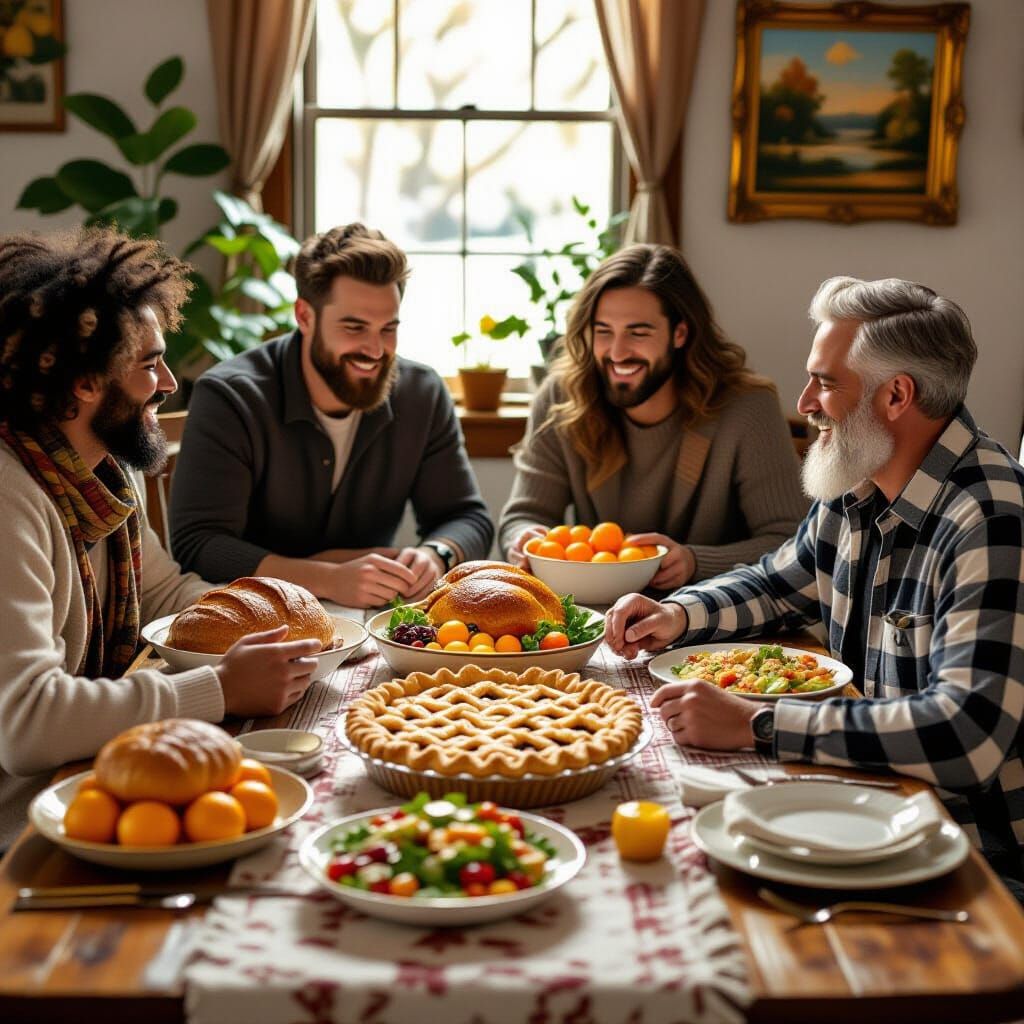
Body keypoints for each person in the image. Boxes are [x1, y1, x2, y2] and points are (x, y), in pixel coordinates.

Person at [607, 276, 1024, 896]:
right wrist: (678, 615)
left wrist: (760, 724)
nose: (804, 401)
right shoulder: (863, 475)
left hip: (972, 865)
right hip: (870, 810)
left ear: (896, 396)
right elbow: (780, 584)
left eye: (826, 383)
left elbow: (966, 734)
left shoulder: (989, 519)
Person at [0, 229, 322, 850]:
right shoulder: (11, 496)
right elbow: (28, 724)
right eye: (149, 364)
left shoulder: (103, 468)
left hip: (104, 784)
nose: (171, 382)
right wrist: (221, 688)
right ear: (84, 382)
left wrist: (281, 622)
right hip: (31, 830)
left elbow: (165, 593)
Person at [170, 223, 493, 608]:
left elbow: (466, 517)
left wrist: (436, 555)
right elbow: (199, 544)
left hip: (368, 617)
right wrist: (326, 578)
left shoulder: (421, 393)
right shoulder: (231, 396)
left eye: (388, 328)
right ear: (305, 316)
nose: (376, 350)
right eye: (354, 327)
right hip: (254, 620)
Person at [499, 244, 807, 589]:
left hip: (715, 617)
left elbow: (793, 544)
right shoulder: (561, 397)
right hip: (599, 614)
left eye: (638, 332)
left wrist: (694, 562)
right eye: (603, 331)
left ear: (680, 333)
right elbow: (524, 516)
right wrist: (524, 540)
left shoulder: (748, 408)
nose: (617, 352)